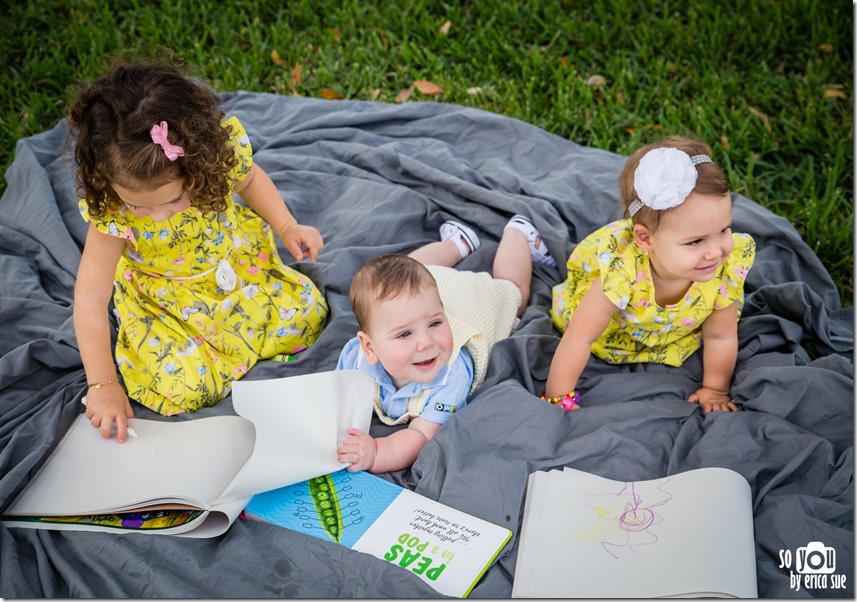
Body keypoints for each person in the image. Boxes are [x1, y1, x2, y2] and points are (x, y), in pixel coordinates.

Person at [69, 59, 329, 442]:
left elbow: (251, 180)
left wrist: (287, 226)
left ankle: (238, 354)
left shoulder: (214, 161)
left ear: (198, 166)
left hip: (239, 273)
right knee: (182, 388)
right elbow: (91, 298)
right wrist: (102, 383)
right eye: (139, 206)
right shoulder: (112, 213)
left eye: (172, 201)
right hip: (168, 307)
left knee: (310, 313)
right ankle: (222, 360)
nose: (157, 218)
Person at [547, 136, 755, 413]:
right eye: (695, 241)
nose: (715, 252)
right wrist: (557, 396)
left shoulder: (721, 270)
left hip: (670, 336)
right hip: (611, 334)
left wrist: (715, 389)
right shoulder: (624, 272)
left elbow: (721, 337)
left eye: (724, 230)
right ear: (645, 240)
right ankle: (526, 238)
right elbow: (579, 337)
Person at [336, 216, 556, 473]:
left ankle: (517, 232)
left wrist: (377, 452)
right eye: (405, 334)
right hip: (428, 296)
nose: (427, 343)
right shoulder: (356, 359)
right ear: (370, 347)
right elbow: (336, 399)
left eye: (435, 324)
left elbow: (420, 435)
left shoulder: (451, 376)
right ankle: (458, 244)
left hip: (474, 303)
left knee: (513, 291)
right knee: (410, 270)